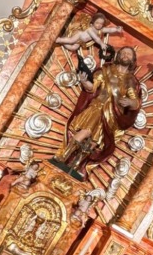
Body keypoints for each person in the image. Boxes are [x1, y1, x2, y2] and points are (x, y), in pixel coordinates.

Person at [55, 45, 141, 176]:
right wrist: (84, 81)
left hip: (112, 116)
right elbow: (92, 87)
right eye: (123, 53)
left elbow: (136, 102)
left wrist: (130, 102)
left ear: (133, 59)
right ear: (118, 55)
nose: (125, 55)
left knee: (94, 142)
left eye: (129, 54)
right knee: (85, 131)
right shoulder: (106, 70)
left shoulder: (131, 81)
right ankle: (63, 156)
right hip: (98, 108)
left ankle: (77, 165)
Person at [56, 12, 122, 53]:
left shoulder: (100, 30)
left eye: (101, 24)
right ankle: (59, 39)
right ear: (93, 22)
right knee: (71, 40)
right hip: (79, 35)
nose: (99, 25)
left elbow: (109, 30)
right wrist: (101, 44)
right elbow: (96, 38)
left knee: (74, 48)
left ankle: (63, 42)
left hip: (80, 41)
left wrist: (116, 29)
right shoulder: (90, 29)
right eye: (97, 23)